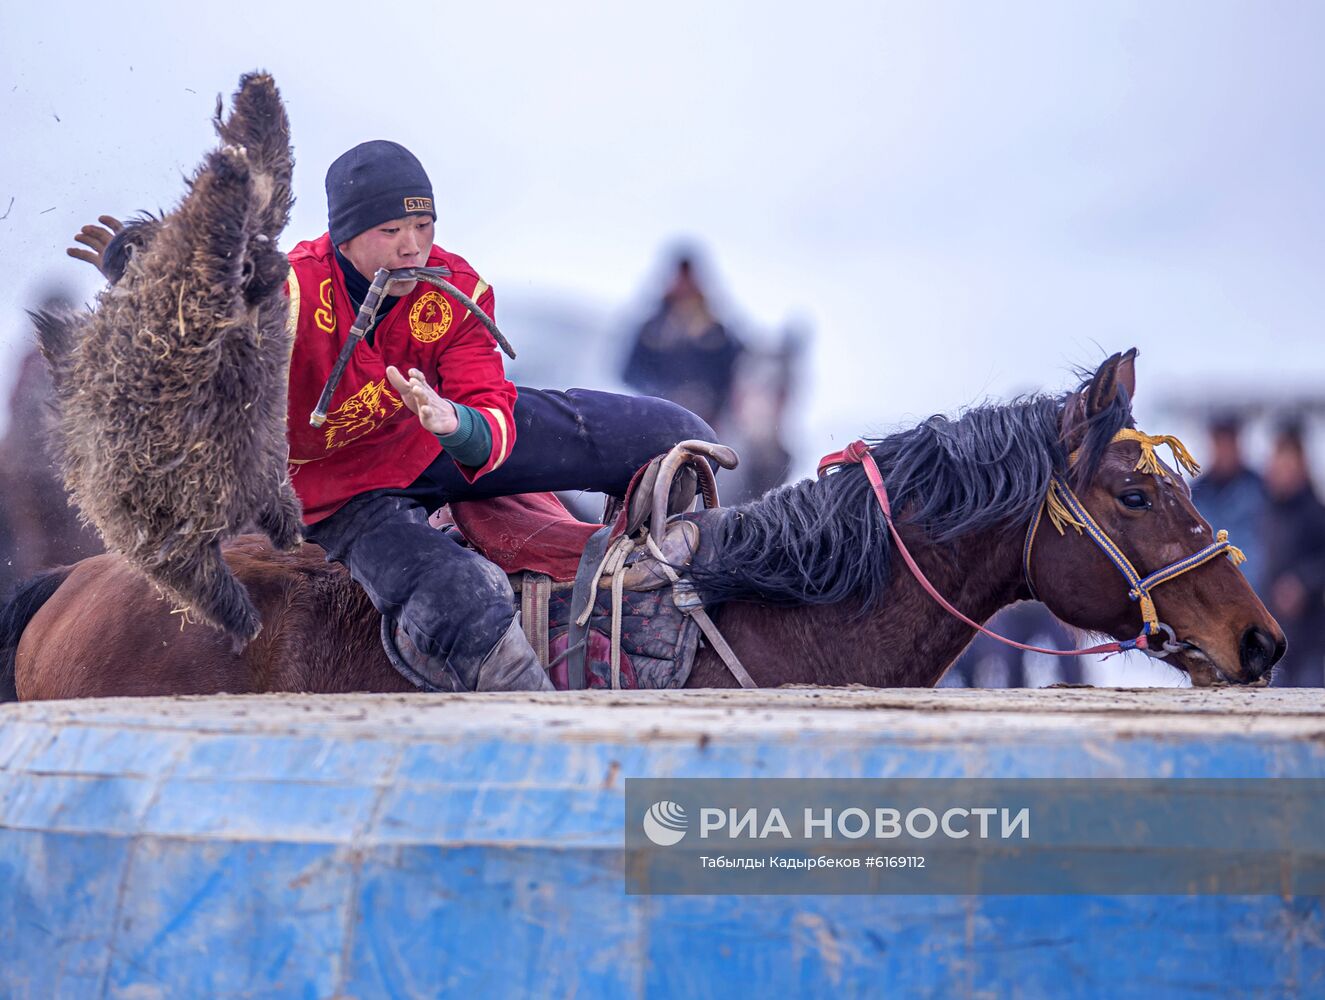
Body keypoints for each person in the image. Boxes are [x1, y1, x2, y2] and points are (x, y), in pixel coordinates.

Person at [69, 140, 713, 693]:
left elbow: (489, 401)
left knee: (673, 434)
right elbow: (205, 301)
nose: (413, 247)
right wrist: (146, 271)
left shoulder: (454, 288)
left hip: (445, 441)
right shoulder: (286, 293)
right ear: (345, 236)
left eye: (424, 227)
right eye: (390, 232)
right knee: (464, 607)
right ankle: (550, 730)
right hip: (348, 490)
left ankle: (669, 592)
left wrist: (453, 424)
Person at [622, 252, 744, 429]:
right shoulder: (652, 332)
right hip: (658, 419)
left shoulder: (718, 336)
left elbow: (735, 374)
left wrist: (707, 398)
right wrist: (663, 395)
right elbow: (630, 373)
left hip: (708, 424)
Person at [1261, 421, 1325, 687]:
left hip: (1310, 634)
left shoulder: (1315, 511)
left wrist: (1302, 584)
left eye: (1288, 463)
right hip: (1274, 630)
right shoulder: (1267, 510)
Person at [1191, 413, 1267, 590]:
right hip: (1212, 589)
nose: (1225, 451)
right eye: (1219, 444)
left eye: (1229, 444)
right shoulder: (1196, 492)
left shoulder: (1261, 487)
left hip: (1257, 590)